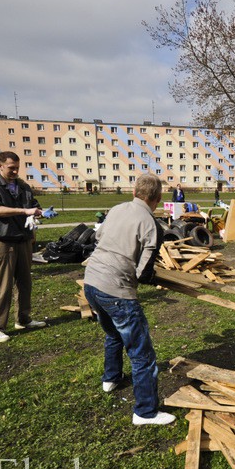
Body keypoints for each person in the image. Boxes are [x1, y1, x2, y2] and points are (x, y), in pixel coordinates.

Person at [83, 173, 175, 426]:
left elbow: (97, 239)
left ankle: (111, 378)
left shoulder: (117, 208)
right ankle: (145, 412)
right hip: (116, 290)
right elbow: (144, 272)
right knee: (141, 353)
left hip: (91, 282)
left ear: (134, 193)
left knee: (113, 334)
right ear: (157, 199)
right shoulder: (151, 224)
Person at [0, 151, 46, 343]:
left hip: (23, 240)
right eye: (11, 168)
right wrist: (25, 211)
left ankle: (23, 319)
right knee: (1, 285)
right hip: (2, 242)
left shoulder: (22, 186)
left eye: (17, 167)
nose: (15, 171)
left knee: (24, 283)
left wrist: (39, 213)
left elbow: (33, 204)